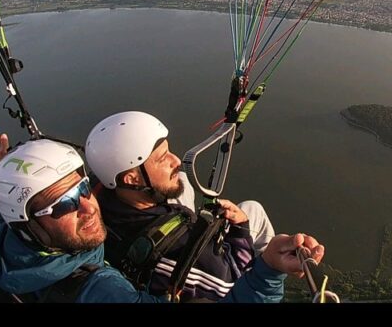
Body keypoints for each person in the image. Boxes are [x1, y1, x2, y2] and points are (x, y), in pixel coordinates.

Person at [0, 135, 324, 302]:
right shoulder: (100, 290)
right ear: (26, 223)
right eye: (63, 204)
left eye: (83, 189)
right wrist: (265, 273)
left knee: (187, 186)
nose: (88, 206)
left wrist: (0, 165)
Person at [85, 111, 274, 301]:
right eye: (162, 158)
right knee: (253, 208)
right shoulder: (178, 251)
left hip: (146, 227)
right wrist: (241, 230)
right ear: (132, 178)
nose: (176, 160)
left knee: (182, 179)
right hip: (192, 263)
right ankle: (278, 259)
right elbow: (229, 284)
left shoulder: (98, 193)